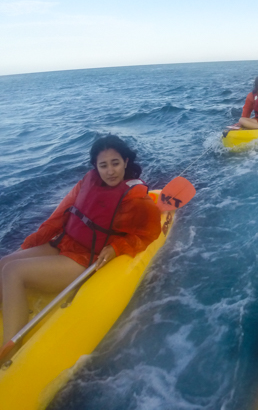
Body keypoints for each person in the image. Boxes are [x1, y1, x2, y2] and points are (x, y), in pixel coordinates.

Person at [0, 135, 162, 345]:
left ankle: (9, 348)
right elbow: (60, 215)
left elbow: (148, 232)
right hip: (64, 243)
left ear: (126, 162)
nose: (110, 171)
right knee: (4, 262)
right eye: (103, 165)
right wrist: (31, 244)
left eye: (115, 163)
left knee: (13, 271)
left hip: (85, 258)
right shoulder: (88, 182)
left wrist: (116, 248)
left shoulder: (136, 199)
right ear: (95, 166)